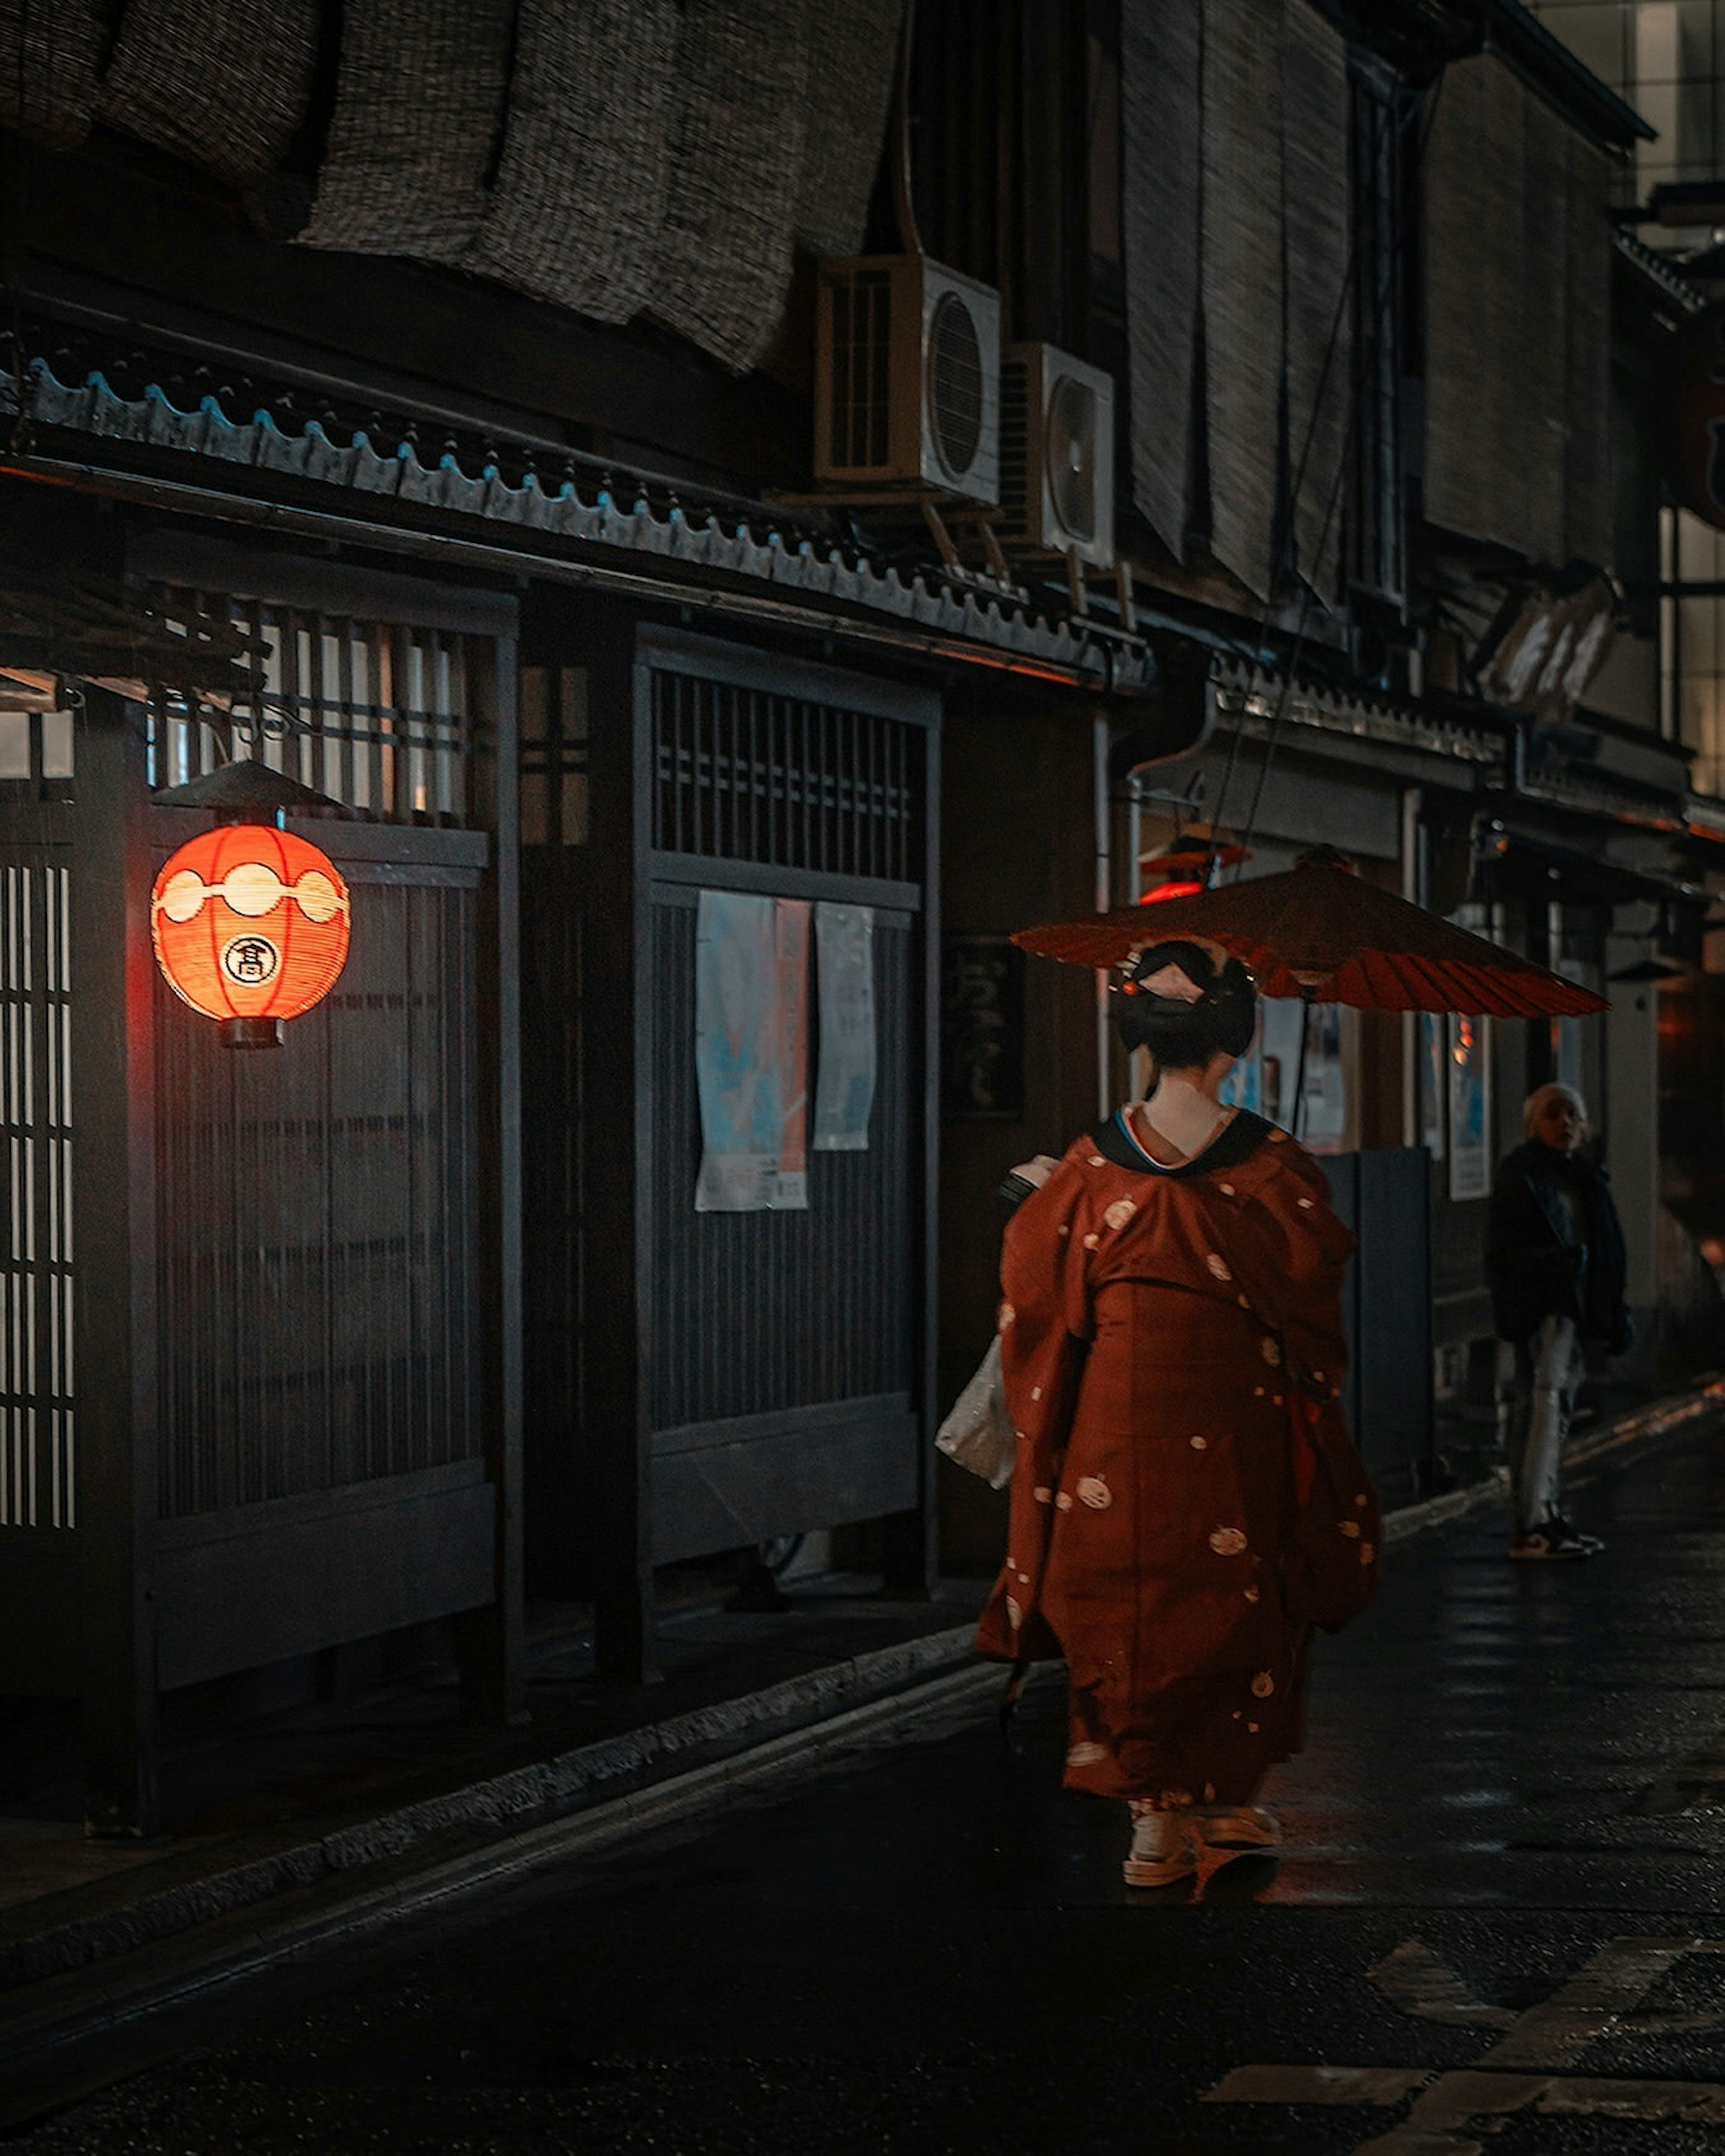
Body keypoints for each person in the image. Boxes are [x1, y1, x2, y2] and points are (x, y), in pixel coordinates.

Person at [976, 939, 1380, 1890]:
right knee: (1247, 1594)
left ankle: (1156, 1820)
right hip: (1236, 1417)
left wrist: (1037, 1203)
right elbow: (1312, 1294)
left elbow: (1037, 1300)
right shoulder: (1276, 1166)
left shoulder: (1085, 1168)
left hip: (1113, 1422)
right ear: (1236, 1037)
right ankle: (1225, 1799)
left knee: (1121, 1598)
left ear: (1139, 1036)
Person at [1487, 1081, 1632, 1561]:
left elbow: (1607, 1247)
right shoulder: (1524, 1177)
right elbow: (1505, 1251)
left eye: (1571, 1114)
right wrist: (1555, 1265)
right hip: (1544, 1308)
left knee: (1557, 1406)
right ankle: (1531, 1520)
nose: (1564, 1123)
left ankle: (1545, 1511)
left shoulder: (1586, 1177)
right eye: (1553, 1114)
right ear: (1534, 1123)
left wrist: (1613, 1307)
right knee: (1543, 1406)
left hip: (1571, 1308)